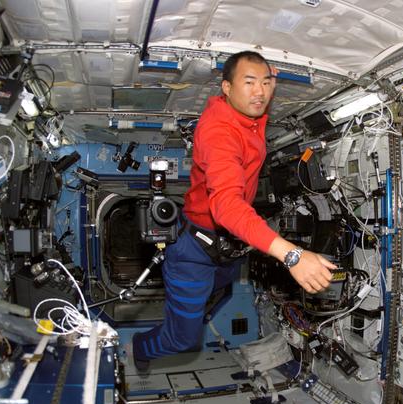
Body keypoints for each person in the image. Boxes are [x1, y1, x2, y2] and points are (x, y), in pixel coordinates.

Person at [131, 51, 336, 371]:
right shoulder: (219, 131)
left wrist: (265, 76)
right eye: (249, 83)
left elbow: (260, 88)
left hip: (229, 248)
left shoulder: (251, 114)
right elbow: (226, 205)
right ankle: (141, 348)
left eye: (266, 83)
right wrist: (292, 255)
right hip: (194, 251)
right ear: (226, 88)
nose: (260, 92)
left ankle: (194, 308)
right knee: (184, 338)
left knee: (219, 292)